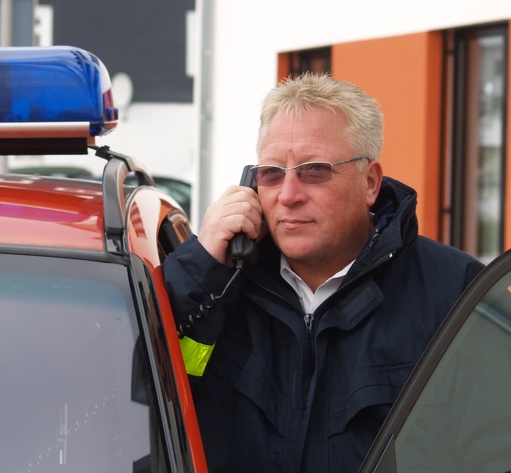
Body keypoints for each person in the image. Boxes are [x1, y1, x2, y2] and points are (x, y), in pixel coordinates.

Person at [162, 73, 485, 472]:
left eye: (314, 170)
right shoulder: (216, 283)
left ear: (370, 182)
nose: (288, 195)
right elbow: (139, 396)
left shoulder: (457, 291)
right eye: (272, 173)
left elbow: (487, 447)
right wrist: (200, 264)